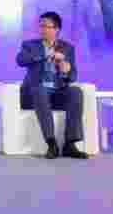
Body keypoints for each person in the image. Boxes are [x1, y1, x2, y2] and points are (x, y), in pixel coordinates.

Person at [15, 12, 88, 159]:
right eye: (41, 26)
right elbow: (20, 60)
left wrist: (66, 71)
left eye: (46, 26)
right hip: (35, 93)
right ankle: (51, 143)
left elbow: (73, 76)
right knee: (40, 90)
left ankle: (70, 144)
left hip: (57, 92)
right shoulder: (30, 45)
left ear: (56, 29)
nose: (42, 29)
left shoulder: (67, 48)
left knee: (76, 92)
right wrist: (46, 55)